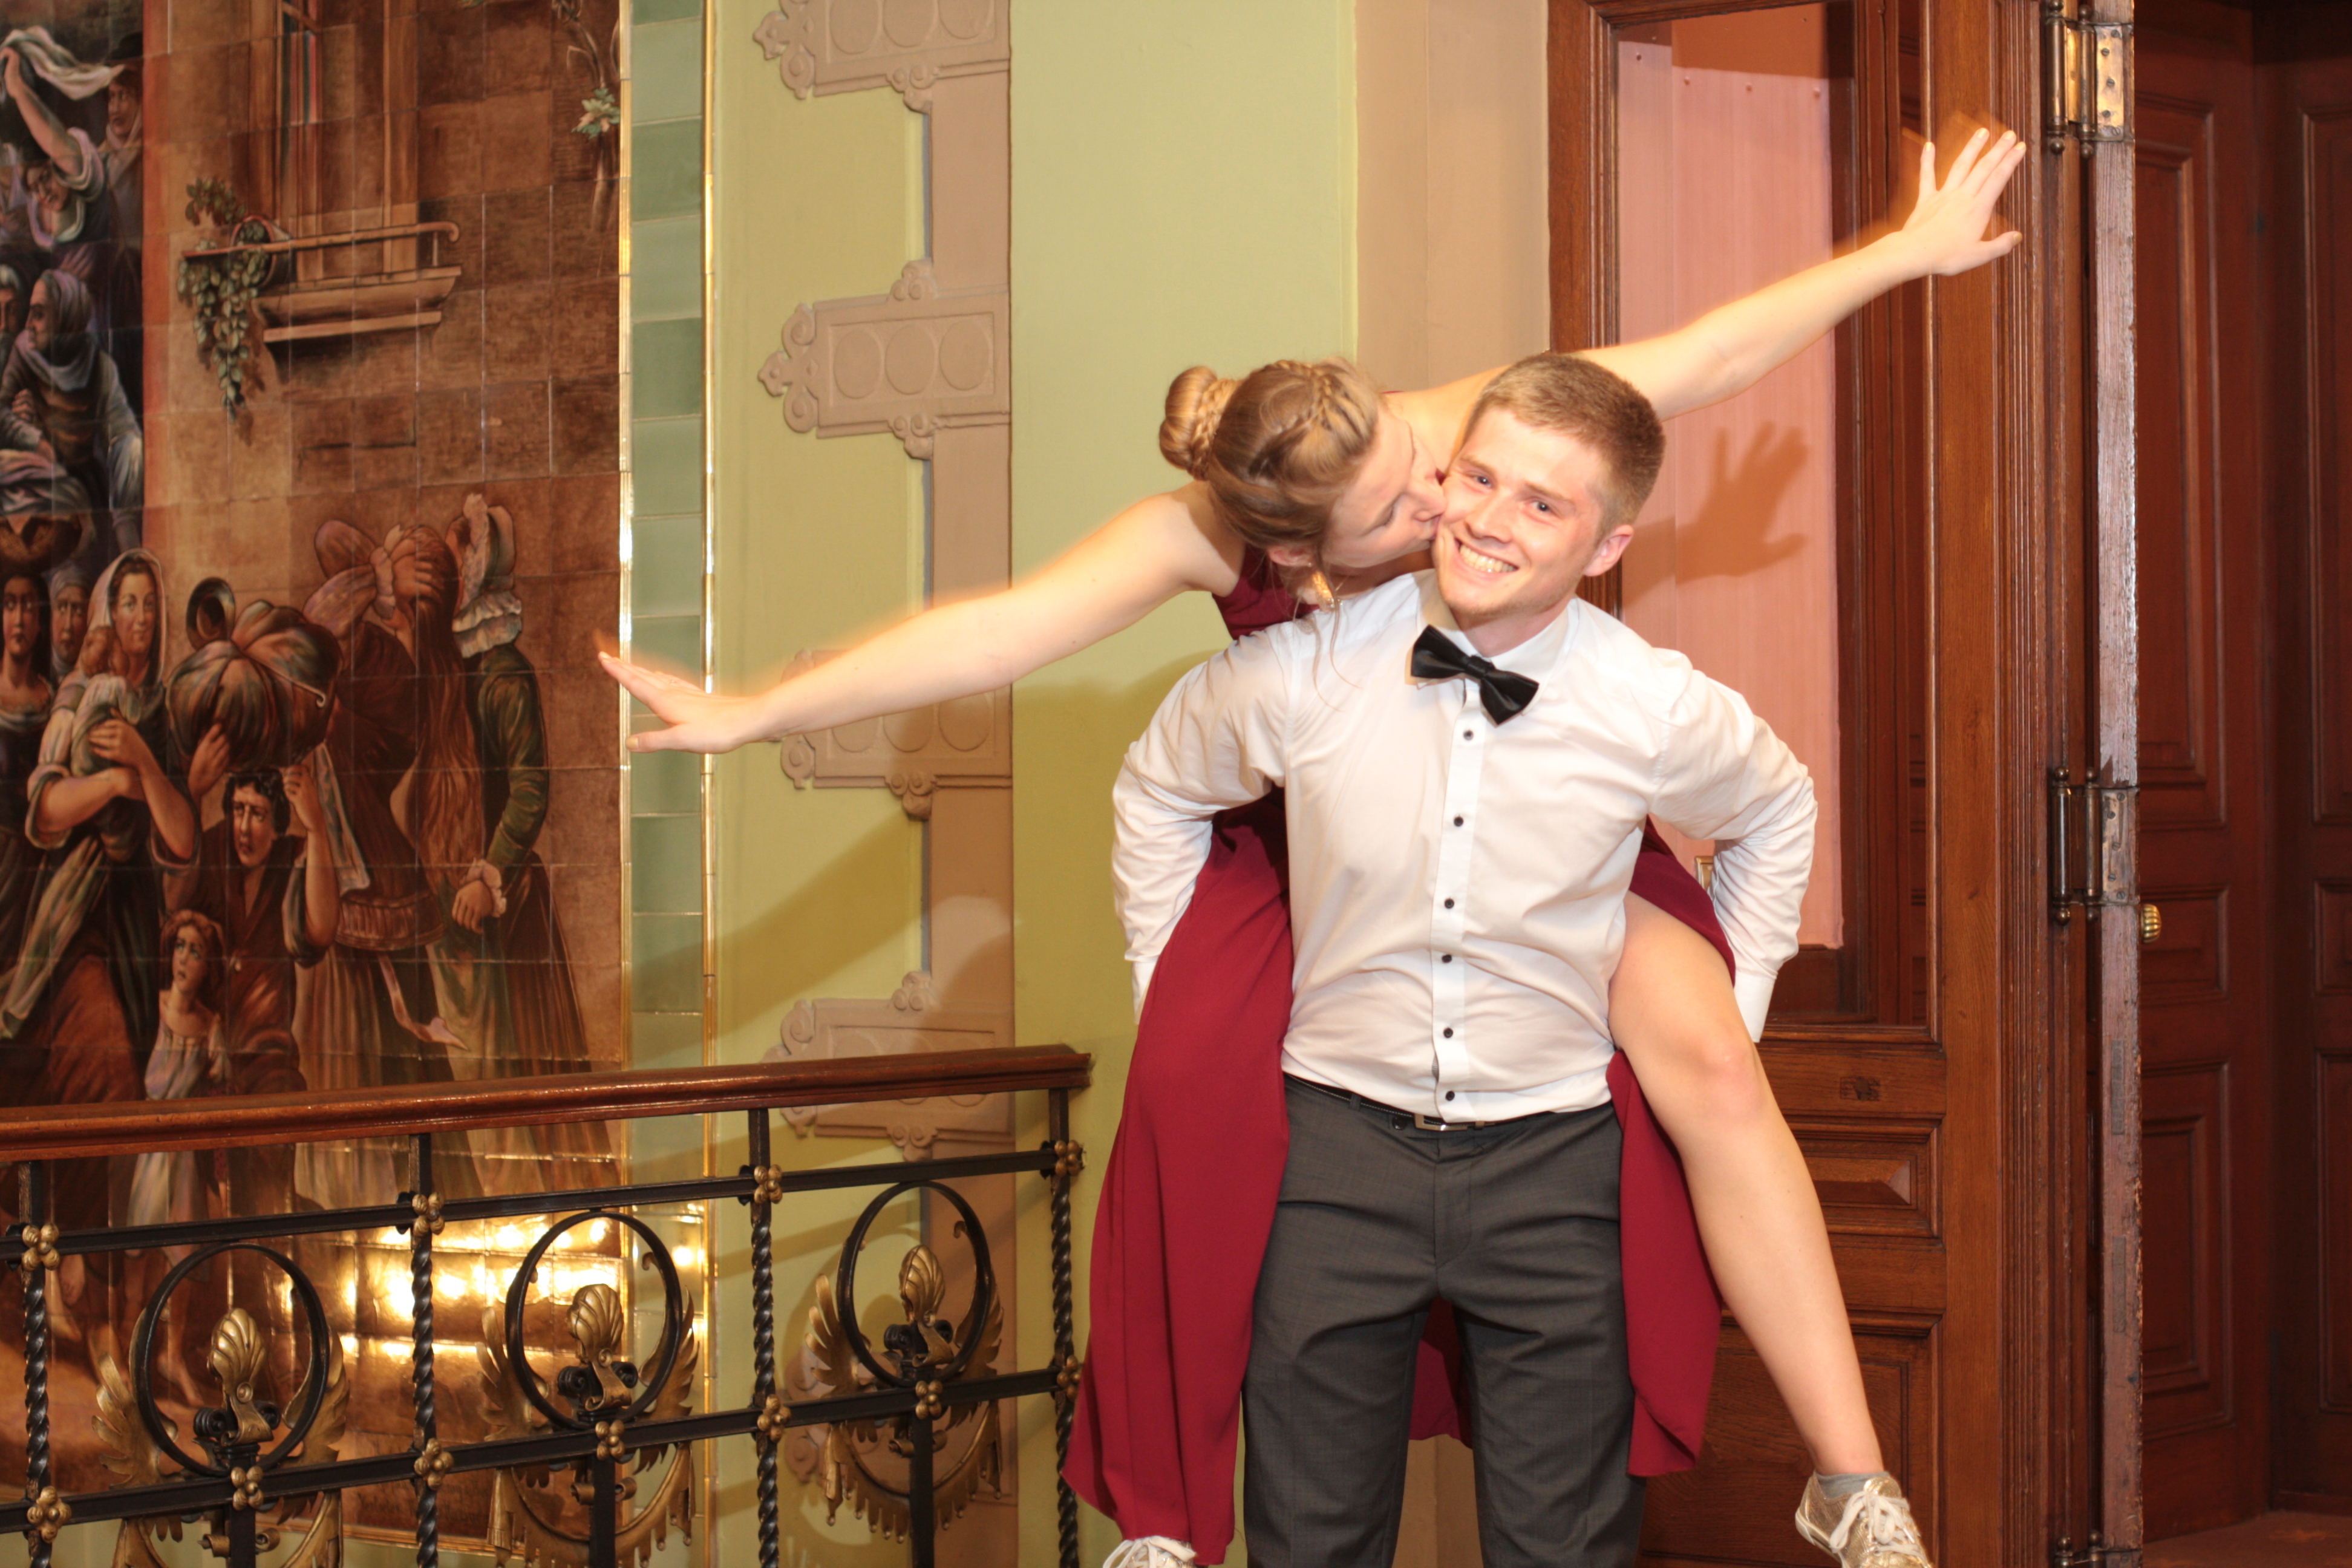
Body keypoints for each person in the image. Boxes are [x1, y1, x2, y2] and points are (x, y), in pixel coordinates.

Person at [604, 131, 2027, 1567]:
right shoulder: (1211, 545)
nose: (1446, 502)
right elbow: (994, 635)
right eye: (1407, 506)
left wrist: (1900, 256)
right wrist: (757, 711)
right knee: (1187, 1084)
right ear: (1301, 561)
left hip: (1535, 813)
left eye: (1433, 465)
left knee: (1713, 1060)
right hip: (1309, 853)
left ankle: (1850, 1477)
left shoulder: (1425, 446)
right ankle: (1166, 1515)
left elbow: (1693, 360)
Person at [1112, 353, 1915, 1567]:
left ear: (1606, 545)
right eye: (1480, 478)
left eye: (1543, 503)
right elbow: (1157, 788)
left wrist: (1735, 1001)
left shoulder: (1651, 705)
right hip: (1330, 1157)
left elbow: (1775, 809)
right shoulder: (1307, 671)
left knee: (1564, 1551)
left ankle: (1849, 1483)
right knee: (1309, 1543)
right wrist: (1175, 1002)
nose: (1490, 519)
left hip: (1555, 1169)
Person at [433, 493, 610, 1189]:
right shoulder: (451, 669)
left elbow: (530, 789)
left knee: (527, 1071)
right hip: (456, 913)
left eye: (456, 555)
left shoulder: (504, 675)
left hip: (504, 909)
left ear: (478, 571)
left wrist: (490, 874)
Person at [166, 762, 330, 1217]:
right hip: (205, 1058)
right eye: (238, 810)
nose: (243, 827)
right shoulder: (212, 848)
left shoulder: (293, 858)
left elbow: (320, 932)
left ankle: (276, 1241)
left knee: (273, 1144)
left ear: (277, 824)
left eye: (257, 814)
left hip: (266, 1058)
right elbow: (173, 906)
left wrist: (317, 829)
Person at [122, 907, 226, 1401]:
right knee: (138, 1251)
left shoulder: (210, 1026)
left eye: (196, 952)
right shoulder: (153, 1008)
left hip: (184, 1157)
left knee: (182, 1256)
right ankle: (129, 1356)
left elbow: (221, 1088)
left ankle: (172, 1354)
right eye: (180, 947)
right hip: (147, 1150)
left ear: (208, 967)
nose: (185, 959)